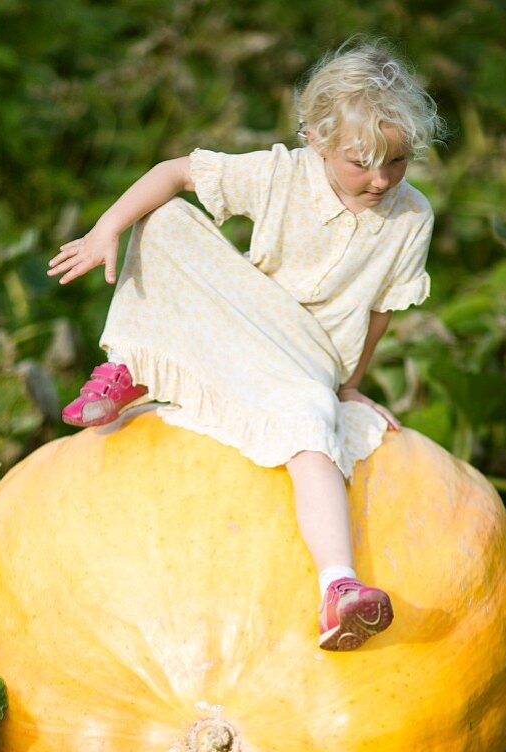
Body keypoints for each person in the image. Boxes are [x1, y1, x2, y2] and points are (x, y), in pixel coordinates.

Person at [47, 37, 444, 651]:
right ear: (317, 139)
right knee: (168, 220)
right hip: (248, 321)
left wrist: (349, 387)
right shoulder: (283, 173)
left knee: (313, 430)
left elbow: (379, 313)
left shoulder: (411, 217)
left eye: (395, 163)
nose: (380, 179)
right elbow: (176, 172)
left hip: (309, 356)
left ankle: (338, 587)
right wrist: (106, 231)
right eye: (361, 162)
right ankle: (131, 366)